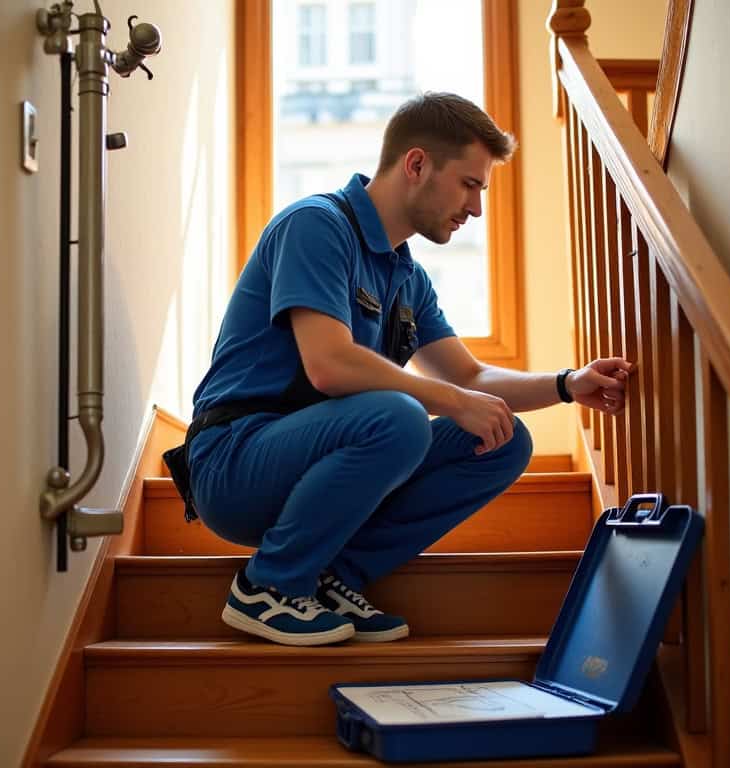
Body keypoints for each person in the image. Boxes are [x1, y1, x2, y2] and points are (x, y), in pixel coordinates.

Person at [180, 92, 633, 647]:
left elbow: (469, 380)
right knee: (399, 417)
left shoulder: (406, 278)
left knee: (504, 440)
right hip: (234, 462)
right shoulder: (317, 226)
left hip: (314, 463)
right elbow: (328, 364)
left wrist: (568, 385)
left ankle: (330, 575)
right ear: (416, 164)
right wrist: (446, 403)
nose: (477, 208)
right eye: (470, 184)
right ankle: (268, 585)